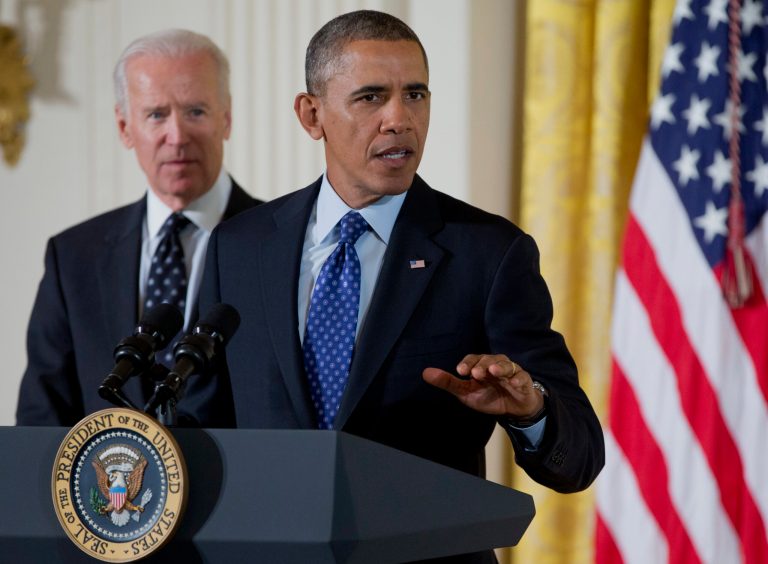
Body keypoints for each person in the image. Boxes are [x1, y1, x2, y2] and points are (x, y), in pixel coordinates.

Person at [199, 11, 604, 560]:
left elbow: (579, 456)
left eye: (415, 95)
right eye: (371, 97)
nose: (399, 119)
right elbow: (201, 427)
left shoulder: (488, 253)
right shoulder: (239, 248)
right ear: (311, 113)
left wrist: (529, 409)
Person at [16, 29, 261, 427]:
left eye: (195, 111)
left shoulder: (280, 243)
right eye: (156, 114)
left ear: (227, 118)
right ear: (124, 126)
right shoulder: (74, 256)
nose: (177, 137)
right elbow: (41, 419)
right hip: (108, 488)